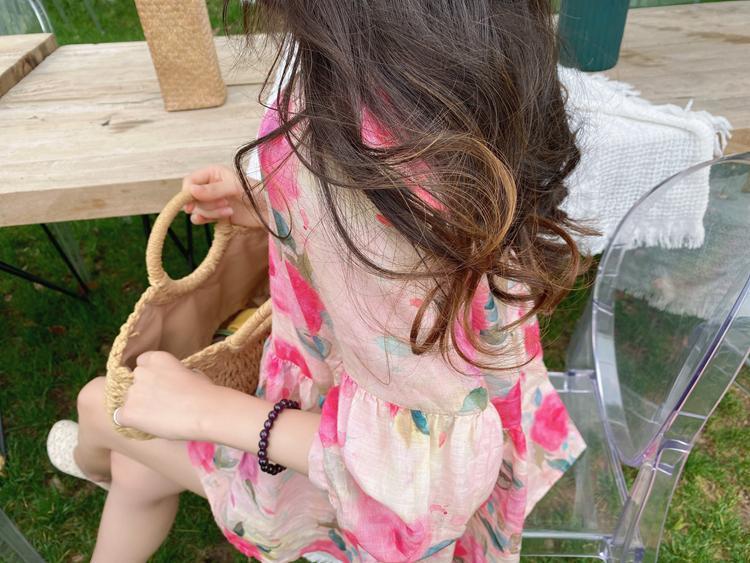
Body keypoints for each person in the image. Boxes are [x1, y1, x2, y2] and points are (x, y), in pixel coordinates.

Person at [47, 1, 594, 560]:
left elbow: (417, 463)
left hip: (352, 474)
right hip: (385, 386)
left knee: (99, 406)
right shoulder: (447, 58)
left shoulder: (373, 175)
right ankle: (117, 471)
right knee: (137, 470)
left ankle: (94, 464)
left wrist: (203, 409)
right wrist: (282, 205)